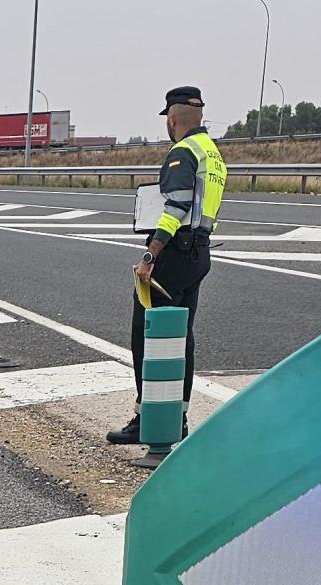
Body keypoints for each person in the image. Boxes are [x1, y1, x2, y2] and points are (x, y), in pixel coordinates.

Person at [107, 86, 225, 451]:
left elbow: (176, 206)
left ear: (172, 120)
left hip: (173, 254)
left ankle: (149, 418)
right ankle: (178, 416)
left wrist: (150, 255)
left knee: (148, 334)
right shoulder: (213, 154)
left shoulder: (183, 152)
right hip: (199, 253)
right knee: (180, 338)